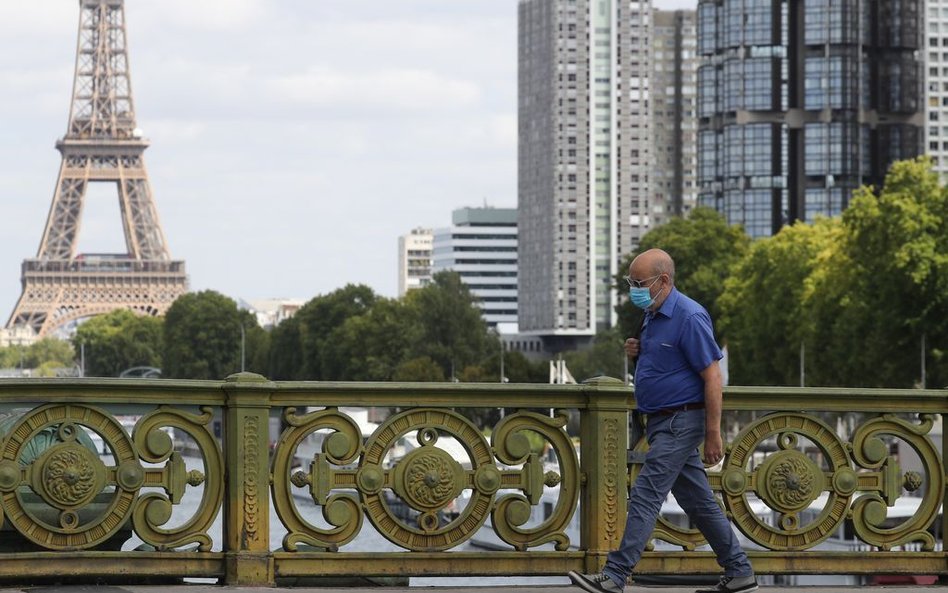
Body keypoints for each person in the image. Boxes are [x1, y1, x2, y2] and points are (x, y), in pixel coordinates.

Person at [568, 249, 756, 593]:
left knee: (644, 494)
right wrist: (636, 350)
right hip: (661, 422)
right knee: (698, 502)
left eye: (639, 283)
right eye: (631, 282)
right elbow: (666, 361)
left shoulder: (689, 316)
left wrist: (713, 433)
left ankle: (614, 575)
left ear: (663, 281)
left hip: (681, 421)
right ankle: (740, 571)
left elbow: (713, 377)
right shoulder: (652, 314)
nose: (633, 289)